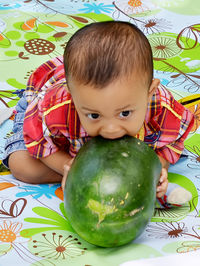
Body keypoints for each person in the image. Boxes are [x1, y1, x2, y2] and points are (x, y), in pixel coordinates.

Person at [2, 21, 194, 205]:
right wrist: (71, 168)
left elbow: (173, 142)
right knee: (22, 167)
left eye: (125, 113)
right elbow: (39, 141)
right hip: (41, 113)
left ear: (149, 92)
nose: (110, 129)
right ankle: (96, 176)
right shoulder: (55, 107)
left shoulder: (163, 109)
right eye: (94, 115)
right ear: (73, 97)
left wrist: (155, 170)